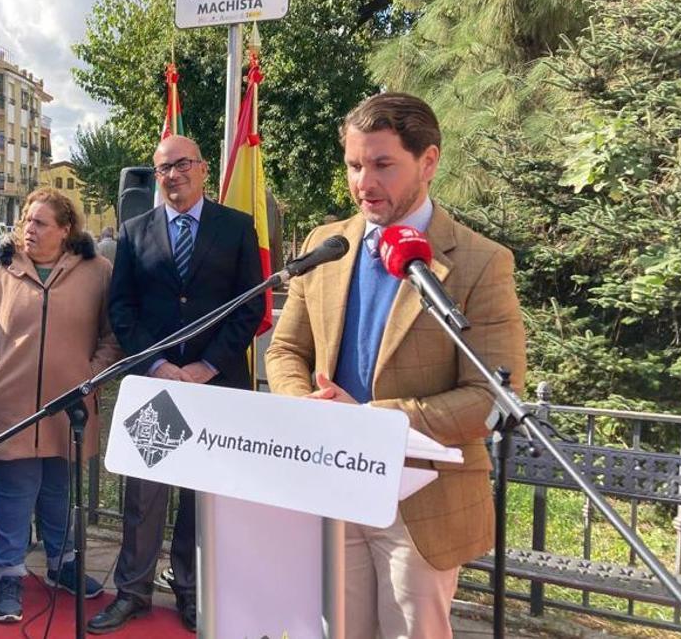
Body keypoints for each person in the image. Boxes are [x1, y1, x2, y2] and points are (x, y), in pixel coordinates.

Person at [264, 93, 527, 637]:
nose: (364, 182)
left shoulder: (481, 262)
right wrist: (304, 407)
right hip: (334, 481)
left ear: (428, 162)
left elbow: (491, 396)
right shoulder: (326, 244)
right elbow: (285, 351)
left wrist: (373, 419)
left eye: (383, 164)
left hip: (422, 505)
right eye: (355, 165)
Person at [90, 135, 264, 634]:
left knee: (200, 495)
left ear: (204, 169)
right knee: (144, 495)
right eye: (163, 167)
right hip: (156, 384)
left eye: (183, 164)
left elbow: (250, 306)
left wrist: (206, 367)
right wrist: (159, 364)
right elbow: (121, 310)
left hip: (215, 384)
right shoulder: (134, 231)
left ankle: (190, 590)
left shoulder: (236, 227)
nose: (173, 175)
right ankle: (133, 592)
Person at [0, 189, 121, 623]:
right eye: (27, 220)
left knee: (58, 489)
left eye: (40, 223)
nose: (29, 229)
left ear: (65, 229)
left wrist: (92, 375)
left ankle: (62, 563)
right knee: (15, 491)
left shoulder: (97, 270)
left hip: (69, 404)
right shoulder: (2, 266)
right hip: (12, 403)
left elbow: (113, 333)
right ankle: (10, 574)